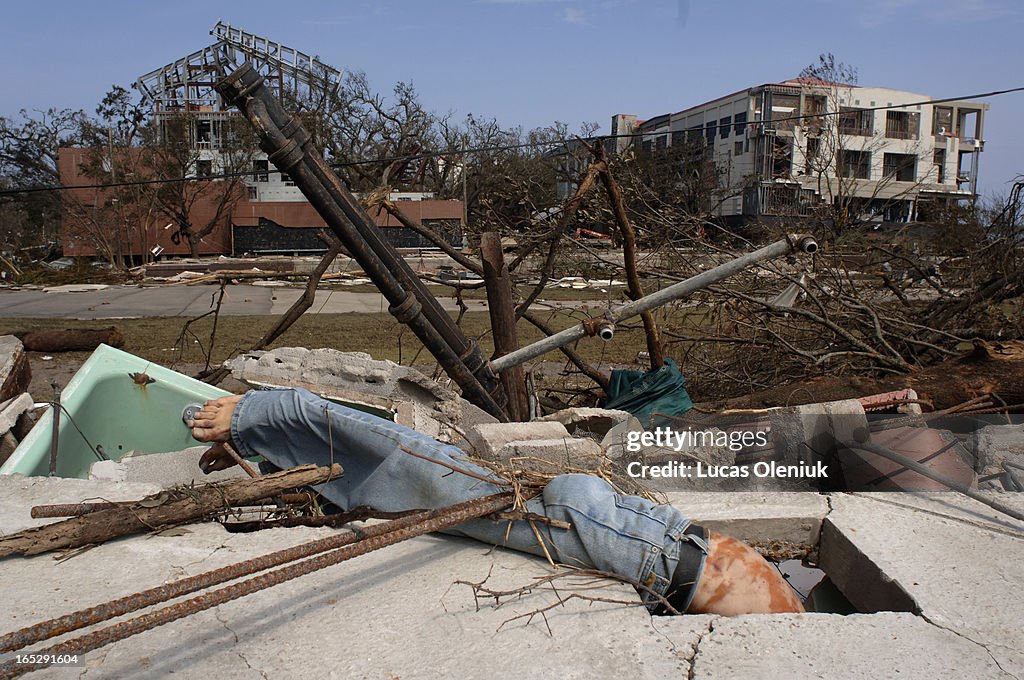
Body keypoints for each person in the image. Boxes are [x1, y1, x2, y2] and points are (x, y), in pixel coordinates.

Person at [189, 388, 804, 616]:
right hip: (649, 549)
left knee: (438, 486)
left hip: (659, 551)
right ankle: (283, 415)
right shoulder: (794, 634)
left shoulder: (789, 619)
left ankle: (283, 426)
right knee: (439, 482)